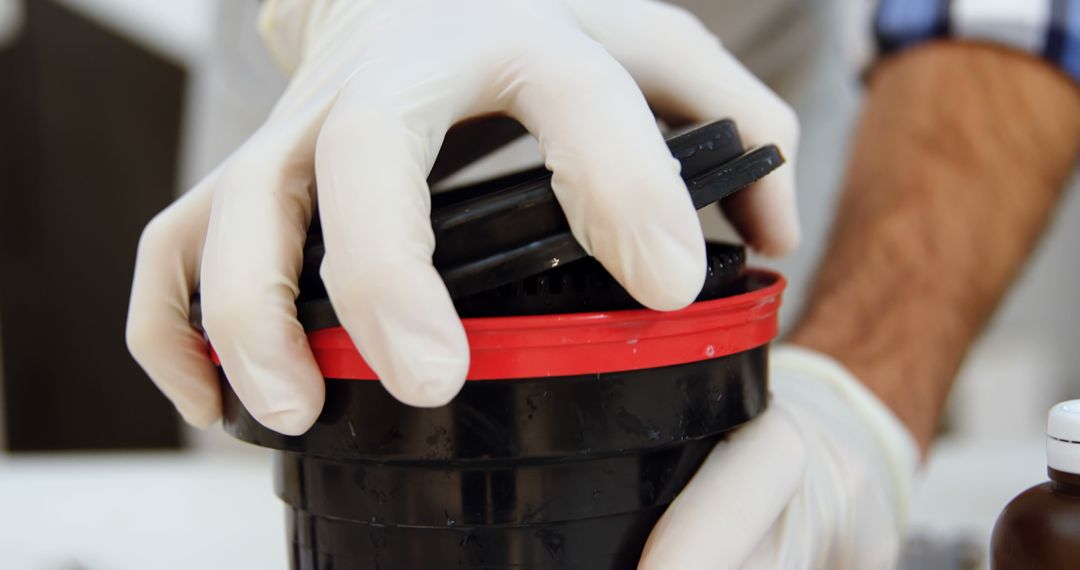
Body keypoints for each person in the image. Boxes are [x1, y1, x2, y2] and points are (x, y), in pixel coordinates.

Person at [124, 0, 1080, 567]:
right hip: (350, 57)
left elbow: (1003, 15)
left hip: (718, 48)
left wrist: (858, 400)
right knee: (308, 317)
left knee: (756, 488)